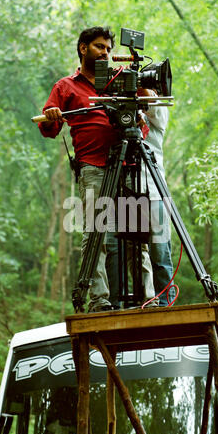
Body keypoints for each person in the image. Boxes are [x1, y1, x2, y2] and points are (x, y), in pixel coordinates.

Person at [38, 26, 157, 313]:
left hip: (128, 164)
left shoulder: (119, 78)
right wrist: (51, 116)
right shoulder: (66, 86)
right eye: (99, 47)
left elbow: (148, 102)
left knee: (136, 235)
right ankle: (100, 301)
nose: (105, 52)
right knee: (96, 234)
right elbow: (49, 129)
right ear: (83, 48)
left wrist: (143, 89)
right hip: (93, 168)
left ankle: (148, 299)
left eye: (107, 48)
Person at [106, 88, 175, 307]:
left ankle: (166, 303)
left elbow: (156, 107)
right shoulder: (122, 121)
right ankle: (143, 300)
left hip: (154, 190)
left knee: (160, 252)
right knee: (134, 251)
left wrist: (148, 94)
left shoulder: (154, 120)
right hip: (129, 191)